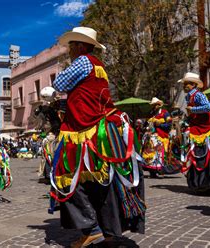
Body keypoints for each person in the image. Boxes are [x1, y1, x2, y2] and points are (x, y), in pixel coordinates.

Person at [51, 27, 145, 247]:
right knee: (103, 183)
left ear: (81, 46)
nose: (70, 50)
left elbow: (59, 84)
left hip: (86, 132)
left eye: (72, 45)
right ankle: (109, 229)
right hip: (103, 128)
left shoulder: (83, 61)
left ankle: (91, 229)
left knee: (68, 177)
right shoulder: (98, 66)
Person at [142, 97, 173, 177]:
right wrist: (146, 126)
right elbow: (145, 124)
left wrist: (160, 124)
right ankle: (151, 170)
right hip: (150, 137)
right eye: (153, 105)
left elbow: (169, 125)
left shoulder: (165, 113)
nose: (154, 107)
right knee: (150, 153)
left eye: (155, 105)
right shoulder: (151, 114)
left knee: (159, 154)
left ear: (159, 105)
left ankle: (160, 169)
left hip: (160, 136)